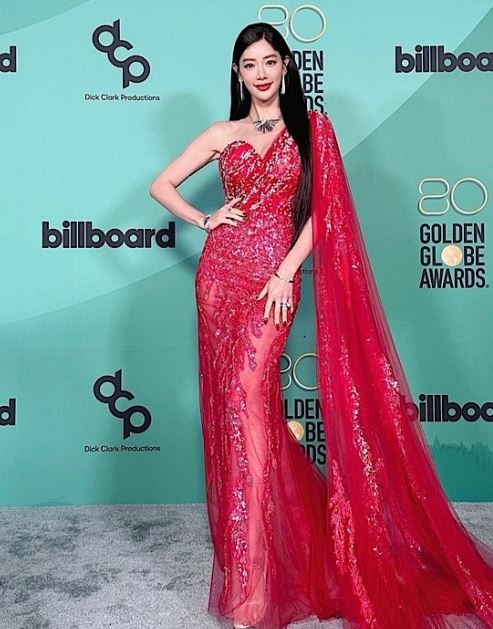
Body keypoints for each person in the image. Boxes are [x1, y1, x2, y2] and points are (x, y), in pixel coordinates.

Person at [149, 21, 493, 629]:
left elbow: (325, 211)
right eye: (249, 64)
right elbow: (161, 185)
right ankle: (253, 573)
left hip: (272, 283)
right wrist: (205, 220)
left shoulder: (312, 128)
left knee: (249, 407)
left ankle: (257, 585)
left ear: (285, 66)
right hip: (219, 280)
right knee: (237, 417)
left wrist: (286, 272)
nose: (260, 73)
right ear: (237, 73)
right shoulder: (223, 133)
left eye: (269, 61)